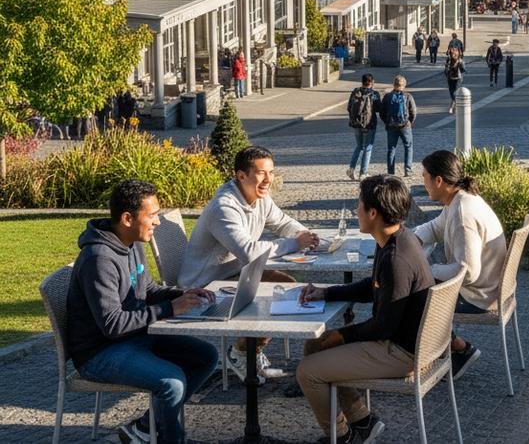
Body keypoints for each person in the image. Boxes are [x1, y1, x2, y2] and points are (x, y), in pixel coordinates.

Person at [67, 179, 219, 444]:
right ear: (127, 218)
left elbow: (147, 289)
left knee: (206, 356)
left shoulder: (132, 242)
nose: (158, 222)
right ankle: (169, 438)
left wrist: (182, 295)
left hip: (135, 336)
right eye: (152, 215)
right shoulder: (99, 259)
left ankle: (147, 428)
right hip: (99, 352)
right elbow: (112, 325)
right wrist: (171, 308)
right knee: (173, 382)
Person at [296, 175, 433, 444]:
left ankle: (341, 437)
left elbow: (384, 326)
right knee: (314, 346)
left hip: (401, 351)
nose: (356, 210)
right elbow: (373, 287)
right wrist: (327, 292)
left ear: (373, 213)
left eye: (359, 205)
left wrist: (341, 336)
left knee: (307, 371)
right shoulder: (400, 238)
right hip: (405, 341)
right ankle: (362, 420)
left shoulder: (396, 259)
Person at [178, 146, 320, 382]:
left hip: (235, 273)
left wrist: (306, 234)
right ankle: (241, 353)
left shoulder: (260, 197)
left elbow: (282, 222)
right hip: (206, 283)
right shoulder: (224, 207)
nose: (268, 180)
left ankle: (248, 350)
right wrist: (294, 244)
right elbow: (250, 252)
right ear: (241, 176)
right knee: (277, 294)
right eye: (261, 173)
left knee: (286, 287)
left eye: (271, 172)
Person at [415, 150, 507, 378]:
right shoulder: (459, 199)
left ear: (438, 180)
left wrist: (428, 270)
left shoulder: (463, 214)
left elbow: (467, 273)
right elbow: (436, 226)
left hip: (479, 295)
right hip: (488, 286)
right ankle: (456, 347)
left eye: (424, 176)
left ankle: (456, 350)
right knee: (420, 288)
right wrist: (410, 240)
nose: (422, 181)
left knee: (415, 298)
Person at [346, 74, 382, 181]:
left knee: (359, 146)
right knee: (368, 148)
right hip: (369, 124)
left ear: (362, 82)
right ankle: (363, 172)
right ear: (372, 82)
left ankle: (351, 169)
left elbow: (349, 107)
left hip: (356, 124)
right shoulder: (374, 94)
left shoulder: (355, 92)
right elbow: (378, 108)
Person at [380, 74, 417, 176]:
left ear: (394, 84)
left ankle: (391, 172)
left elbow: (382, 112)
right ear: (404, 85)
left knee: (391, 149)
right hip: (405, 125)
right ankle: (407, 170)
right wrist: (410, 122)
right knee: (408, 147)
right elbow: (413, 111)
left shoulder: (387, 97)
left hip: (391, 126)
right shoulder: (407, 96)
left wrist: (387, 121)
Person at [444, 46, 466, 114]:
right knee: (451, 92)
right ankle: (454, 105)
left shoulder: (460, 60)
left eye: (453, 54)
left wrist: (461, 66)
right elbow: (446, 68)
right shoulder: (449, 59)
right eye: (451, 54)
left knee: (455, 92)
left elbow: (463, 70)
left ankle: (453, 106)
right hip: (450, 78)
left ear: (457, 54)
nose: (452, 55)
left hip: (457, 78)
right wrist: (446, 72)